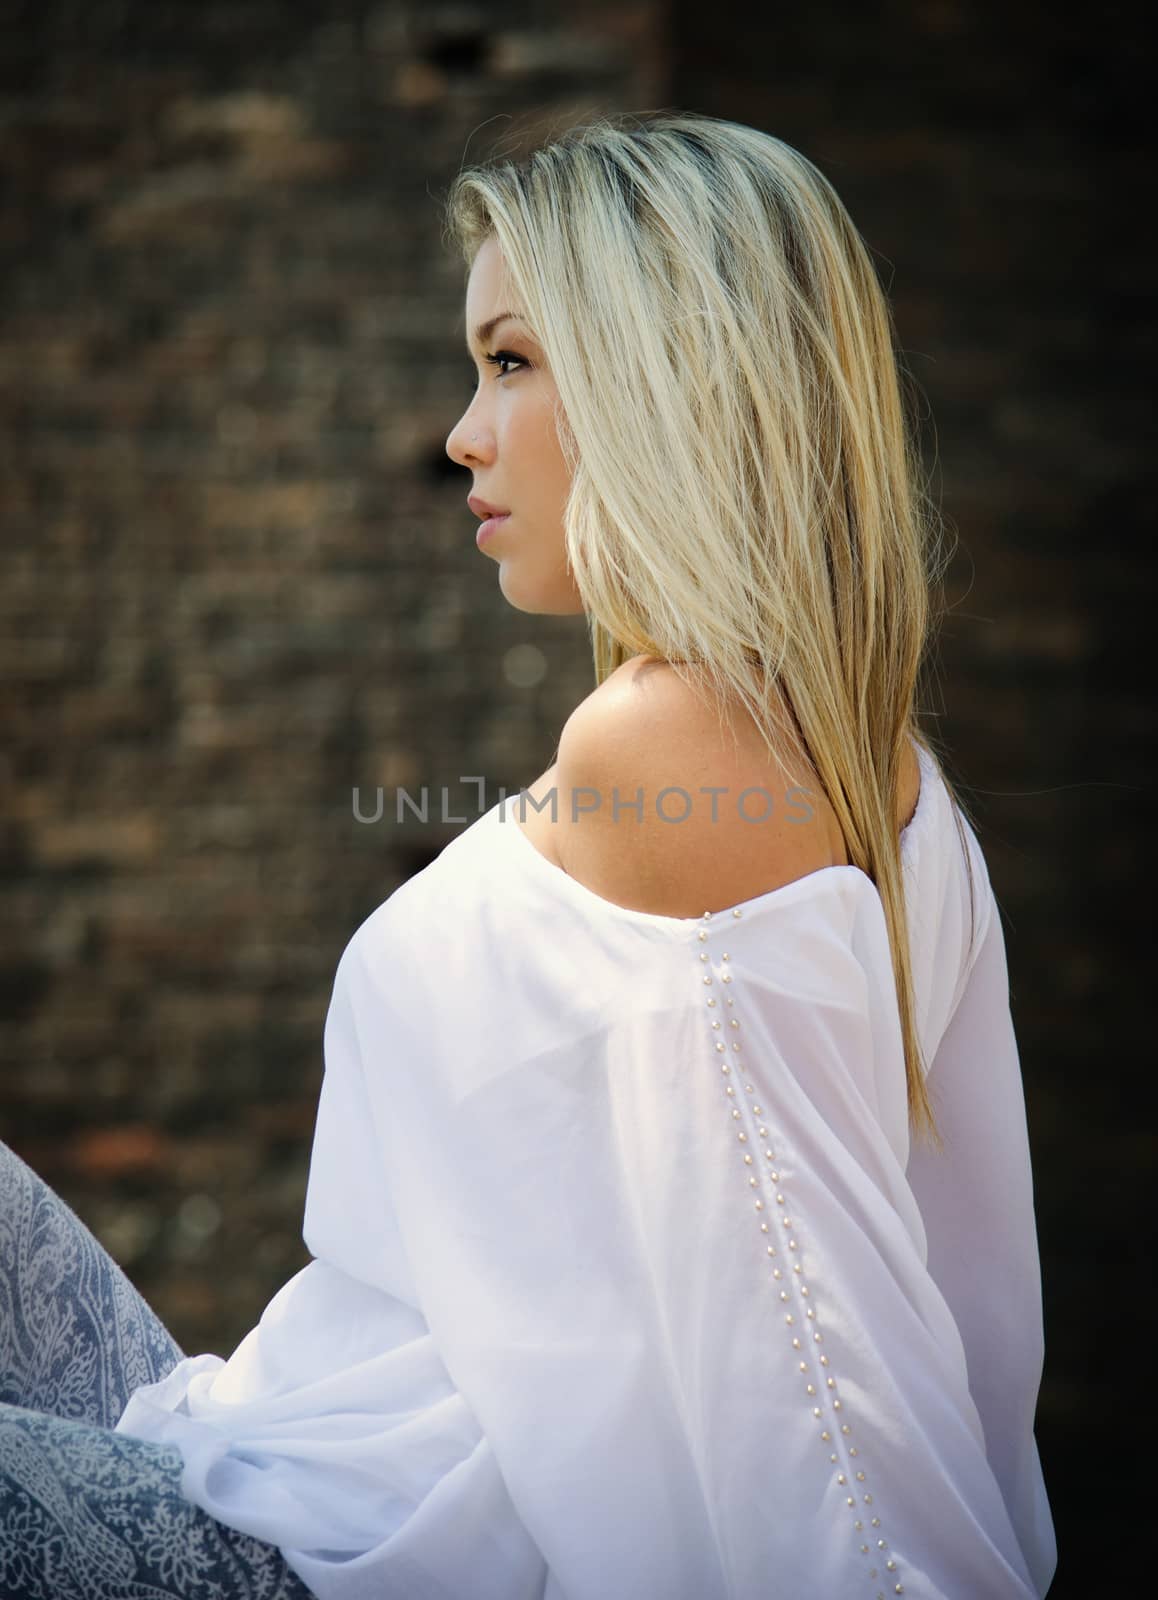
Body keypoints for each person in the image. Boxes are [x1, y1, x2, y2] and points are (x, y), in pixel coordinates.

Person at [0, 110, 1057, 1598]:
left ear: (667, 370)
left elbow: (799, 1345)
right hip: (270, 1430)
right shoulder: (848, 758)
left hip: (318, 1543)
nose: (462, 434)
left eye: (509, 361)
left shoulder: (677, 745)